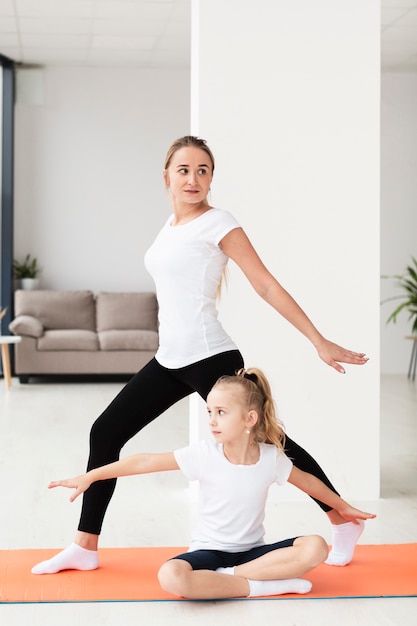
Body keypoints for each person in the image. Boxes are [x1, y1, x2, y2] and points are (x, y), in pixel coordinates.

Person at [32, 135, 369, 576]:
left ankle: (341, 520)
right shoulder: (169, 226)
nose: (193, 179)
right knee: (106, 431)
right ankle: (85, 545)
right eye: (184, 170)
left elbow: (265, 284)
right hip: (170, 358)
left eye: (203, 170)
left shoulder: (219, 223)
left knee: (270, 441)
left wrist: (318, 340)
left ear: (212, 178)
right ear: (167, 176)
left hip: (210, 356)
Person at [43, 369, 375, 599]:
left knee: (315, 545)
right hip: (209, 554)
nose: (212, 420)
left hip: (252, 553)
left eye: (221, 412)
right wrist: (91, 475)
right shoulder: (204, 455)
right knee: (170, 576)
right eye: (209, 412)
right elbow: (145, 461)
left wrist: (343, 508)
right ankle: (260, 587)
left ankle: (231, 580)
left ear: (249, 419)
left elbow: (311, 484)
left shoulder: (272, 458)